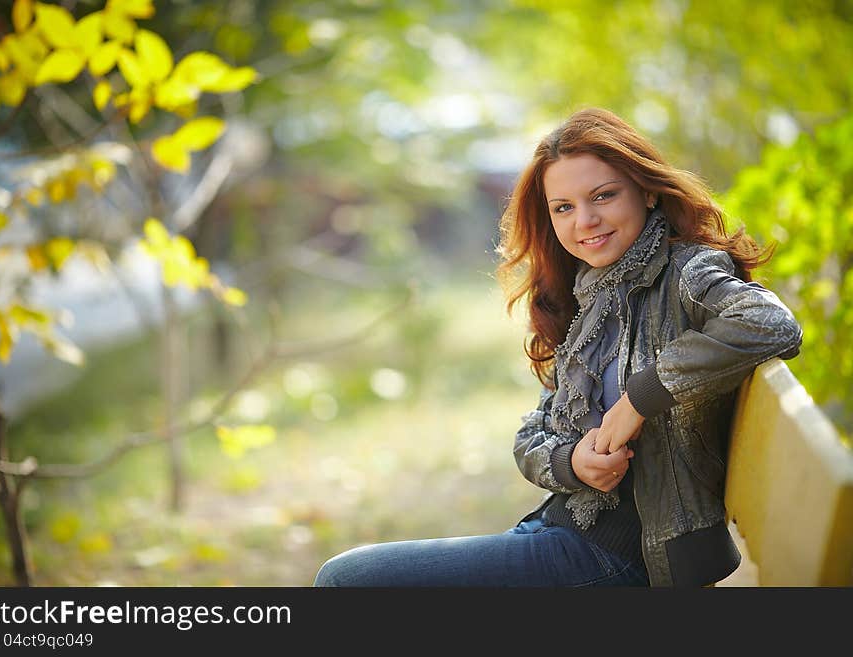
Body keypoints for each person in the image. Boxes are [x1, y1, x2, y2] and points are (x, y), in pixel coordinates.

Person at [312, 107, 803, 587]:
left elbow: (770, 322)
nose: (584, 221)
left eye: (603, 196)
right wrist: (573, 463)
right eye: (563, 207)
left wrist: (640, 397)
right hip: (562, 532)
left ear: (648, 192)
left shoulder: (685, 272)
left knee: (345, 580)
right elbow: (534, 432)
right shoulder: (588, 293)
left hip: (623, 559)